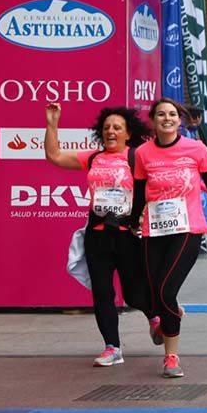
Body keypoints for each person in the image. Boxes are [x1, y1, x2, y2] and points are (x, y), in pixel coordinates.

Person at [130, 98, 207, 378]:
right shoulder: (143, 154)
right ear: (153, 120)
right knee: (153, 291)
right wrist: (133, 219)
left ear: (180, 120)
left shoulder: (196, 149)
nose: (167, 119)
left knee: (165, 291)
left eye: (172, 114)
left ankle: (171, 357)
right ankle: (166, 315)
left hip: (188, 228)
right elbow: (138, 190)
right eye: (161, 114)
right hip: (155, 228)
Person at [44, 102, 158, 366]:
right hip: (97, 235)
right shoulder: (94, 157)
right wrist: (52, 123)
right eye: (106, 127)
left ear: (128, 133)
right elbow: (55, 156)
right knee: (102, 293)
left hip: (128, 234)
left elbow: (155, 187)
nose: (111, 132)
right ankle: (112, 348)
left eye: (117, 127)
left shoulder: (136, 157)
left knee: (133, 294)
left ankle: (155, 318)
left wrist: (143, 215)